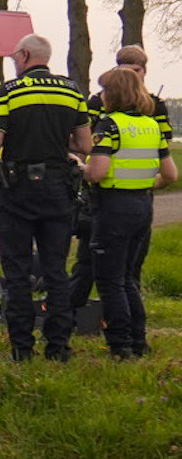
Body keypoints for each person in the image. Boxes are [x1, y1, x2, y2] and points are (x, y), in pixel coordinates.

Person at [0, 33, 92, 361]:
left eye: (16, 56)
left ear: (27, 55)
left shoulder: (8, 92)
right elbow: (85, 145)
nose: (14, 61)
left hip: (18, 191)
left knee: (17, 271)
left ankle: (22, 349)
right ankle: (59, 347)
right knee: (56, 269)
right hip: (58, 189)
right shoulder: (72, 91)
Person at [64, 44, 171, 316]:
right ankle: (76, 310)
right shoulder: (99, 106)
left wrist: (83, 166)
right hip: (127, 199)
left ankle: (120, 339)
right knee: (94, 262)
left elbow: (95, 162)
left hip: (114, 197)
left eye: (136, 71)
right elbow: (167, 167)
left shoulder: (128, 116)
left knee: (115, 275)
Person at [82, 64, 174, 359]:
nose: (102, 94)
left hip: (113, 207)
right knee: (129, 277)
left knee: (110, 279)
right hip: (142, 205)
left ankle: (119, 345)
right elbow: (171, 174)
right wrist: (145, 183)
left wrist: (80, 166)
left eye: (105, 89)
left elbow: (97, 173)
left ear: (114, 93)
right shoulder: (151, 125)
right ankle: (139, 339)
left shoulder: (108, 125)